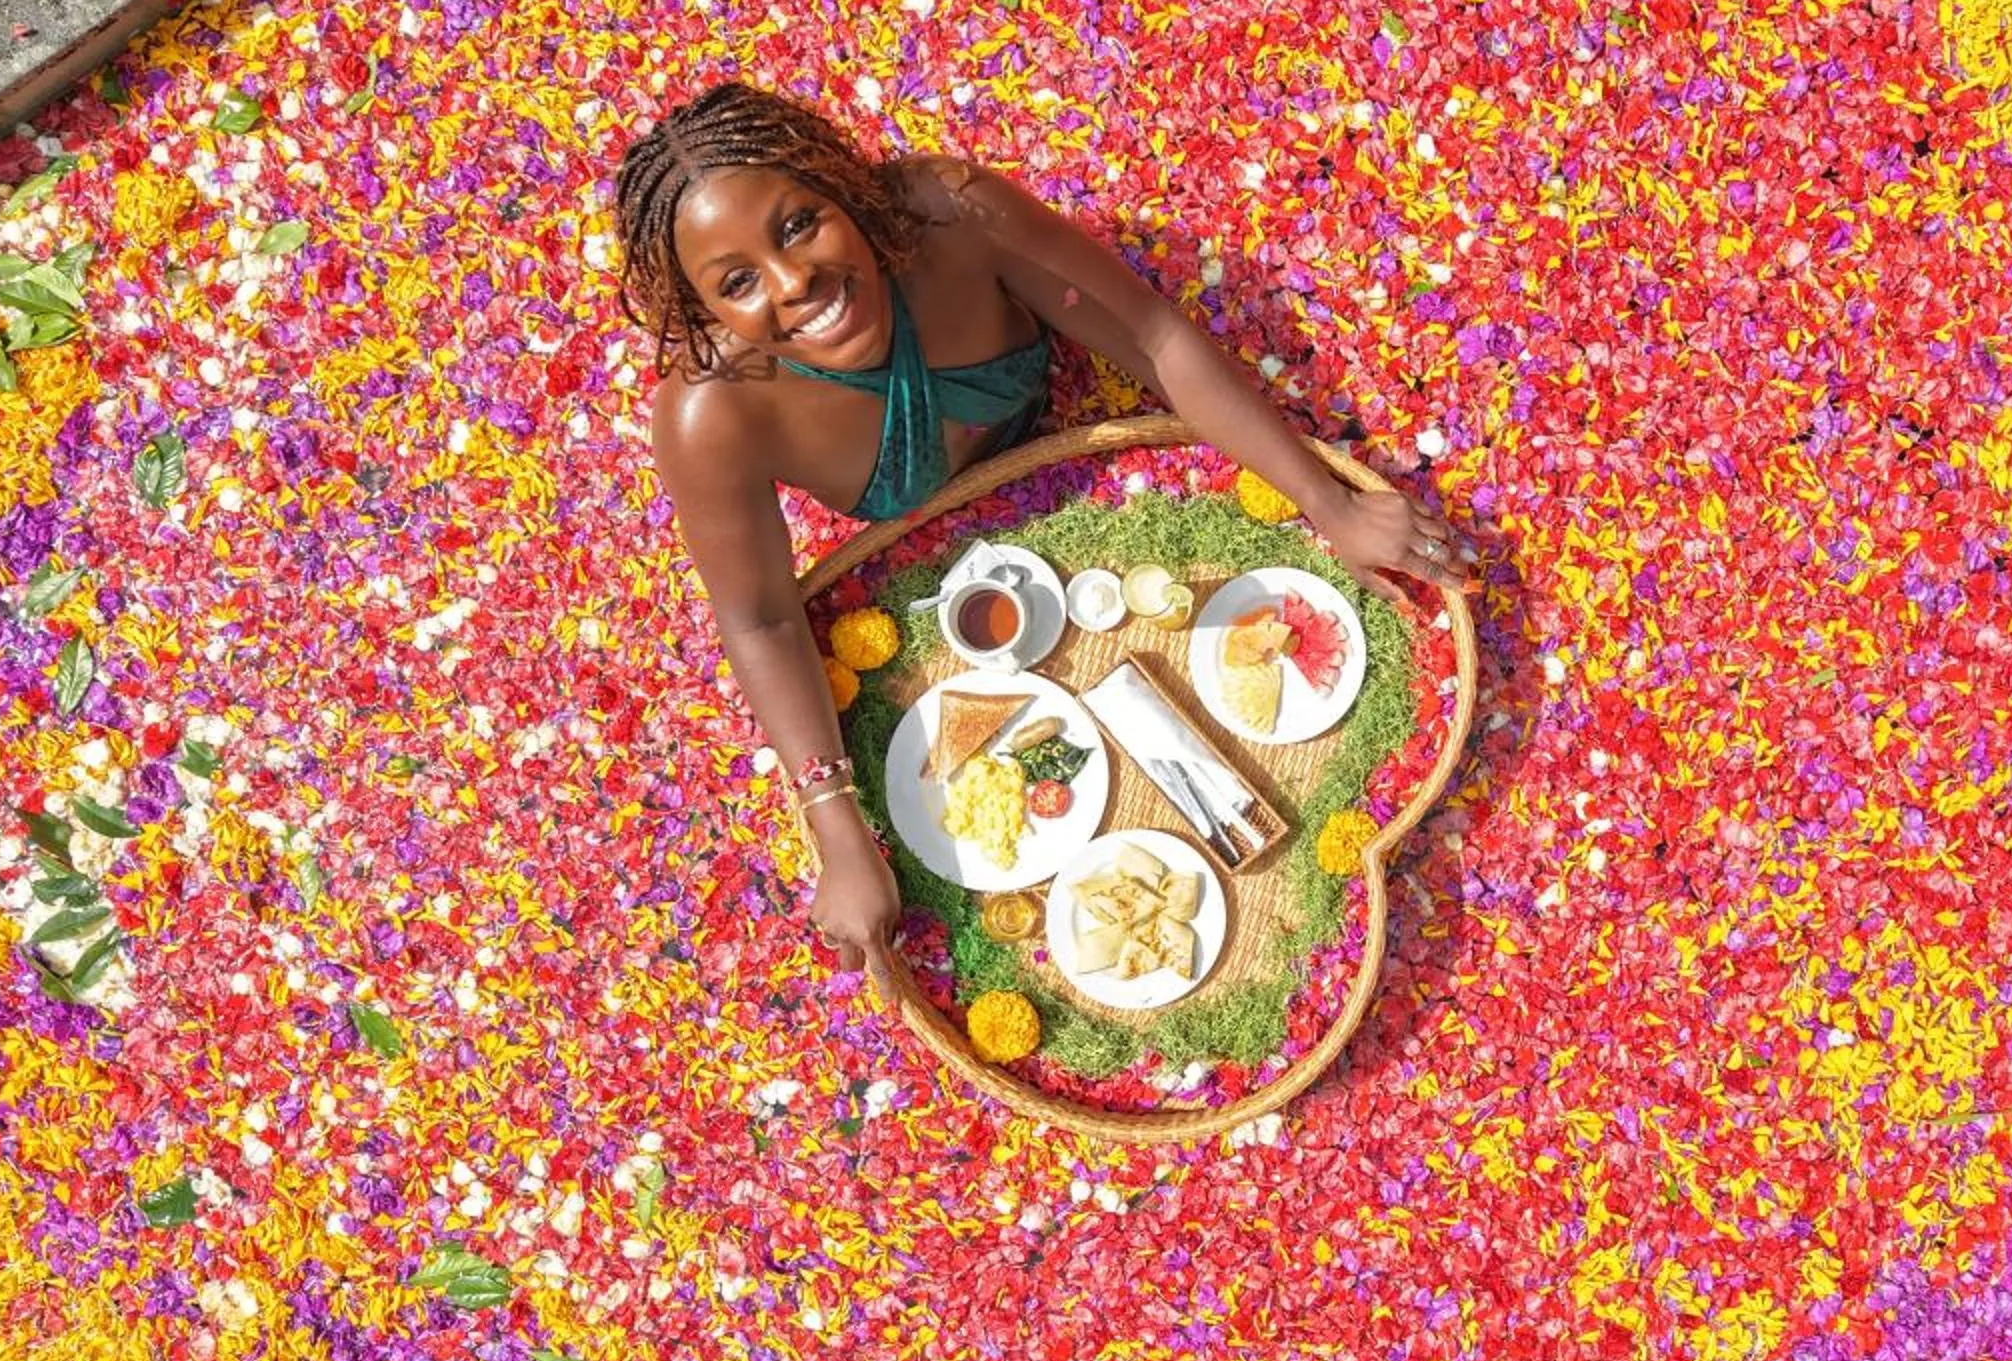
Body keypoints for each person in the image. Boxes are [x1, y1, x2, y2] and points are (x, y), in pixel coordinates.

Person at [610, 80, 1474, 984]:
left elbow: (1150, 336)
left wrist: (1329, 505)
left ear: (840, 186)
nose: (796, 283)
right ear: (706, 313)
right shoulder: (713, 416)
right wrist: (838, 826)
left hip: (1081, 452)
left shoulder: (949, 215)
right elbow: (761, 620)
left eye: (798, 225)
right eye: (738, 283)